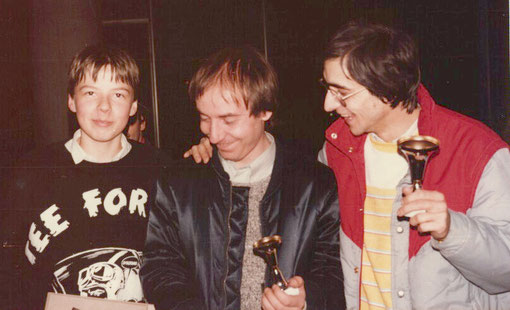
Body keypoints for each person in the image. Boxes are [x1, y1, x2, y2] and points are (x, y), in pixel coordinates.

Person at [184, 23, 510, 309]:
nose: (328, 104)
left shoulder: (476, 151)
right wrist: (216, 154)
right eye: (328, 88)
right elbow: (318, 254)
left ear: (386, 87)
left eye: (342, 92)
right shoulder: (337, 152)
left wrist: (452, 229)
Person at [140, 46, 345, 310]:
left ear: (265, 111)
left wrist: (308, 299)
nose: (213, 135)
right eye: (204, 118)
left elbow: (333, 268)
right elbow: (160, 265)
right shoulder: (177, 183)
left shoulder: (315, 183)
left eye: (228, 120)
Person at [2, 45, 163, 308]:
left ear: (134, 107)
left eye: (118, 95)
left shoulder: (160, 169)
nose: (104, 107)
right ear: (71, 100)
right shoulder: (31, 172)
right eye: (90, 92)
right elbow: (9, 271)